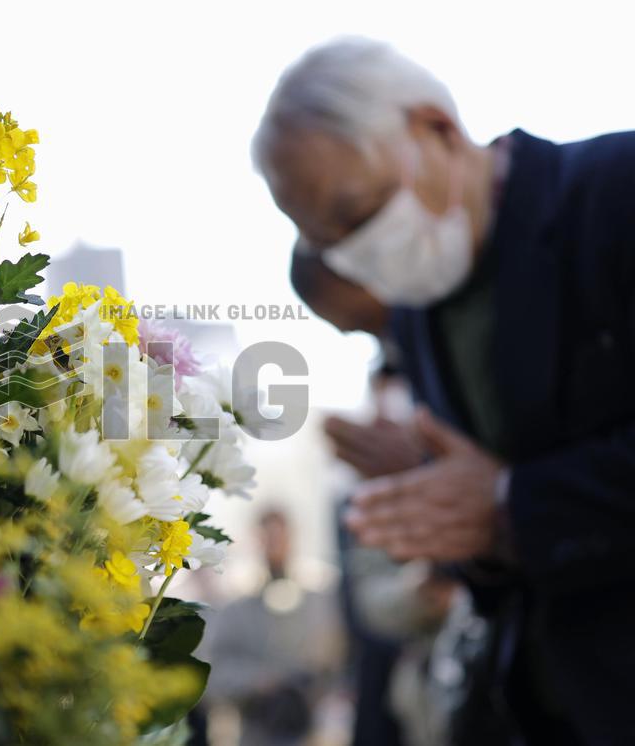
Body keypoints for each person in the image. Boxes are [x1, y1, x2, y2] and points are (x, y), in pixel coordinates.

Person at [254, 36, 635, 745]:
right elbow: (500, 544)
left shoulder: (615, 191)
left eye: (358, 211)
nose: (353, 253)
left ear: (436, 127)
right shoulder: (420, 311)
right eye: (324, 240)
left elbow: (518, 495)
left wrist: (507, 502)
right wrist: (440, 507)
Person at [201, 508, 345, 746]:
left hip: (312, 731)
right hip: (257, 730)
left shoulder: (319, 601)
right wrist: (260, 681)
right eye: (268, 538)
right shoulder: (237, 608)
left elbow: (339, 663)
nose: (275, 546)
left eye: (280, 537)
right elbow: (215, 672)